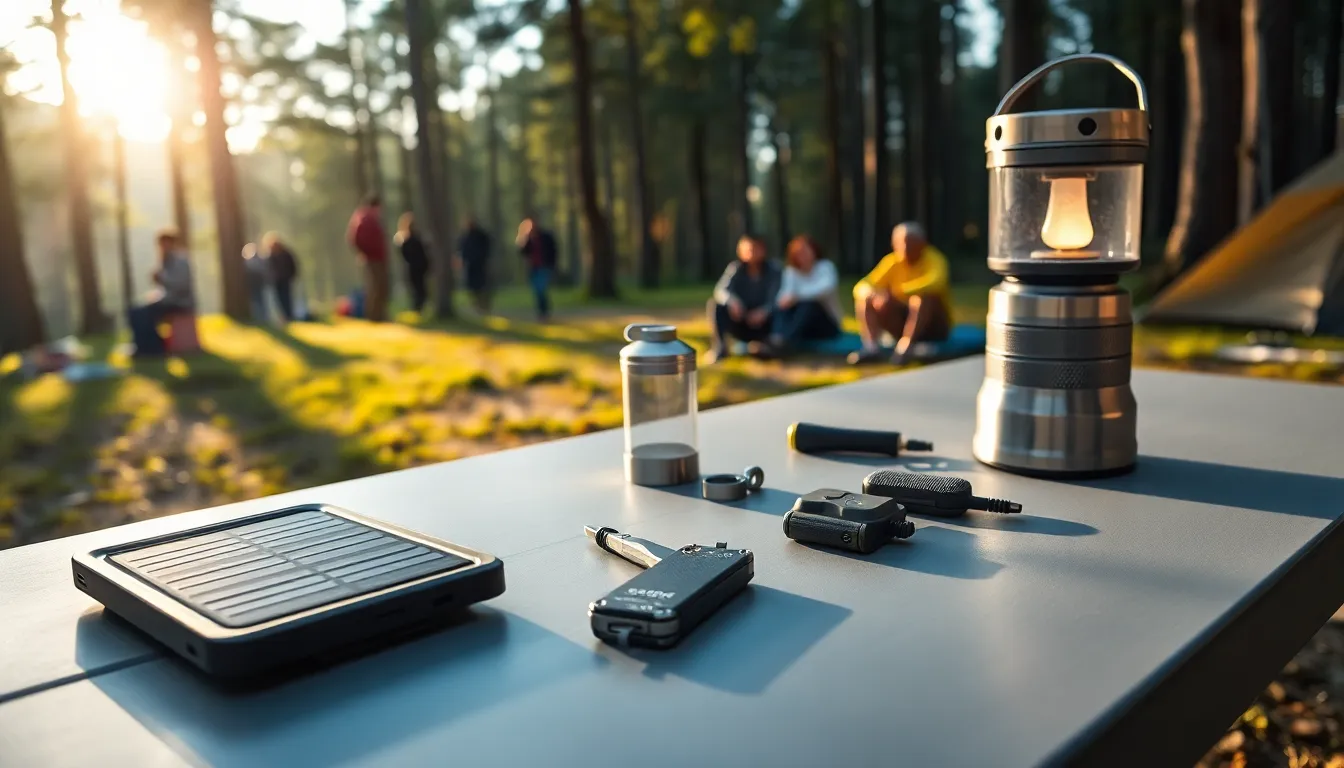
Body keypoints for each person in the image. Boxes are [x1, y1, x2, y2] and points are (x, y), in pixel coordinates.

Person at [849, 222, 952, 365]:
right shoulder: (892, 262)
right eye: (900, 243)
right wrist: (870, 293)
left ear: (921, 243)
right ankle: (871, 347)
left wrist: (901, 292)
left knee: (920, 299)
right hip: (901, 320)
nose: (904, 248)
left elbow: (936, 282)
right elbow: (863, 285)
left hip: (934, 326)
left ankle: (906, 346)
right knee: (869, 299)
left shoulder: (934, 260)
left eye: (909, 244)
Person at [706, 233, 782, 363]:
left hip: (765, 322)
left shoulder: (774, 270)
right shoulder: (735, 268)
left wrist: (765, 311)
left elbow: (778, 297)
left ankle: (772, 345)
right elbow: (720, 290)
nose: (752, 253)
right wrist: (732, 301)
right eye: (748, 249)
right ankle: (720, 348)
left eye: (755, 249)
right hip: (741, 318)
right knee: (716, 305)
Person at [128, 229, 195, 356]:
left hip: (180, 303)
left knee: (142, 314)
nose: (163, 247)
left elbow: (181, 285)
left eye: (165, 243)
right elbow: (165, 289)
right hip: (168, 301)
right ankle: (144, 346)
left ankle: (153, 348)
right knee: (135, 312)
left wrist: (161, 278)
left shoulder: (181, 261)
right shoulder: (165, 261)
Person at [770, 235, 842, 352]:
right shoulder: (791, 272)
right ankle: (777, 338)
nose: (802, 256)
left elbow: (825, 289)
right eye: (798, 253)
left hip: (826, 325)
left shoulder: (825, 268)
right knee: (782, 308)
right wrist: (786, 300)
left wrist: (796, 297)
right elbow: (784, 296)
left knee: (809, 306)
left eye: (805, 251)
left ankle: (783, 343)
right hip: (802, 326)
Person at [347, 194, 390, 322]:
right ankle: (374, 317)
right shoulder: (364, 218)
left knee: (380, 287)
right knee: (375, 288)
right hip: (372, 259)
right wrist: (366, 253)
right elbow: (355, 240)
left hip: (377, 258)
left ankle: (380, 315)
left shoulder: (369, 218)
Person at [516, 215, 558, 321]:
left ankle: (544, 312)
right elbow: (523, 253)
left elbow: (553, 251)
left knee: (541, 289)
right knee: (537, 290)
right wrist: (523, 238)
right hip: (533, 268)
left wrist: (552, 264)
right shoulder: (528, 239)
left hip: (544, 266)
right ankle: (542, 312)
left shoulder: (545, 236)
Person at [395, 213, 431, 314]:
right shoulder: (407, 240)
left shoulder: (414, 238)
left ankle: (419, 307)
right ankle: (418, 307)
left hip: (417, 266)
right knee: (417, 288)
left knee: (419, 288)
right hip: (414, 266)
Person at [458, 216, 493, 314]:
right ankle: (477, 306)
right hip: (470, 266)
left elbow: (487, 247)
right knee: (472, 288)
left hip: (480, 265)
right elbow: (462, 251)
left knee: (482, 286)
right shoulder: (465, 237)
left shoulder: (481, 236)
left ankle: (483, 306)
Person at [263, 232, 299, 322]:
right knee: (280, 299)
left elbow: (292, 265)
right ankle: (285, 317)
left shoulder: (284, 253)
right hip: (277, 280)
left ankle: (288, 316)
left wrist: (292, 275)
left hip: (284, 279)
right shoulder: (272, 255)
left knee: (285, 298)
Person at [242, 243, 271, 323]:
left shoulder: (254, 261)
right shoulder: (257, 261)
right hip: (254, 285)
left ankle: (263, 318)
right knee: (257, 301)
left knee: (259, 301)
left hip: (258, 285)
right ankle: (260, 318)